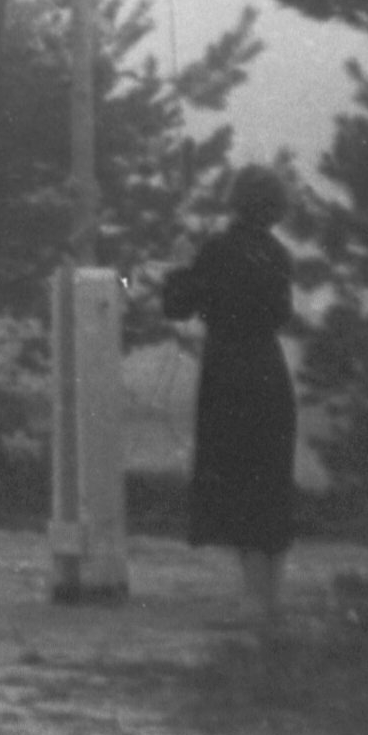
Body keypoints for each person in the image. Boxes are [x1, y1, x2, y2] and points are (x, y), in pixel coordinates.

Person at [159, 165, 301, 625]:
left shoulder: (219, 249)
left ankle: (253, 599)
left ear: (235, 201)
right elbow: (281, 314)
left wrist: (179, 264)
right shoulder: (278, 253)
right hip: (270, 369)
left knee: (237, 478)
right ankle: (271, 596)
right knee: (270, 478)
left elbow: (178, 306)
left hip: (229, 371)